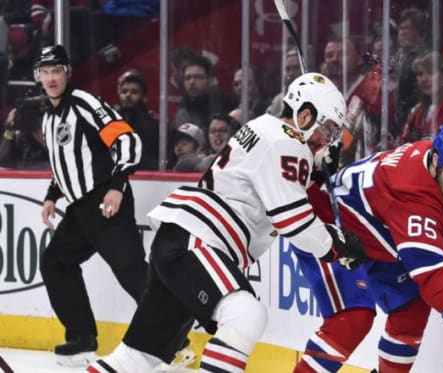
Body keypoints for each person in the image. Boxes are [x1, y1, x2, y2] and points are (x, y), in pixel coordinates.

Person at [88, 72, 367, 373]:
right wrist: (335, 244)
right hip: (200, 240)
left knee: (137, 357)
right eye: (326, 128)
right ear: (305, 114)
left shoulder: (264, 127)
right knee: (246, 314)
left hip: (181, 237)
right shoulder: (287, 143)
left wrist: (313, 168)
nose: (326, 139)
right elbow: (293, 219)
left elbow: (270, 181)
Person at [294, 122, 443, 372]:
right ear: (437, 159)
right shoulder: (411, 194)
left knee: (411, 305)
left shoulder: (429, 157)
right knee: (351, 320)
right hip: (325, 227)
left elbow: (436, 210)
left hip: (368, 239)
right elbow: (432, 274)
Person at [33, 45, 147, 366]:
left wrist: (118, 186)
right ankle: (82, 338)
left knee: (131, 271)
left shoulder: (85, 103)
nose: (52, 77)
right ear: (38, 77)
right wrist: (51, 195)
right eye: (46, 72)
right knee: (55, 263)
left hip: (105, 201)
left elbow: (126, 139)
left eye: (57, 70)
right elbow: (64, 163)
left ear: (67, 72)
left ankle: (174, 339)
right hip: (81, 210)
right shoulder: (49, 117)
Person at [115, 70, 159, 170]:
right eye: (124, 91)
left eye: (134, 92)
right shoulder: (112, 120)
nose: (128, 95)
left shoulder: (152, 124)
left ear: (144, 97)